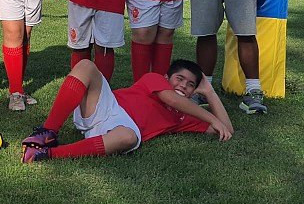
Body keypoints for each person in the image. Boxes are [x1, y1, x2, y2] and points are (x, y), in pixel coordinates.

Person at [20, 59, 233, 162]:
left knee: (129, 137)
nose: (183, 86)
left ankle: (49, 154)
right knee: (86, 65)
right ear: (167, 78)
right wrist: (208, 116)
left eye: (190, 85)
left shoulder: (187, 114)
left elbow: (226, 129)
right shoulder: (155, 79)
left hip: (122, 128)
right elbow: (169, 98)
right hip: (108, 106)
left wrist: (210, 93)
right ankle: (47, 132)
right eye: (180, 79)